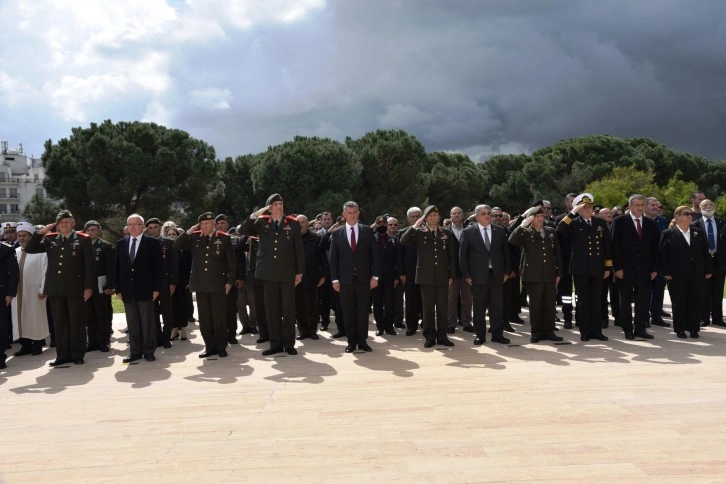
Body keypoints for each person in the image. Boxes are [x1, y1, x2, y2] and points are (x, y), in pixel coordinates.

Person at [26, 210, 94, 366]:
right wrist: (41, 232)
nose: (64, 225)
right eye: (61, 222)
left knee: (77, 322)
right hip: (56, 288)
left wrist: (88, 287)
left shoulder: (83, 239)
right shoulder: (50, 239)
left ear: (73, 223)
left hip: (76, 288)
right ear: (57, 225)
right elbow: (30, 248)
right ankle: (62, 355)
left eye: (67, 221)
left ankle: (77, 354)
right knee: (59, 323)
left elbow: (89, 266)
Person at [239, 194, 303, 356]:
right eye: (275, 204)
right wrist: (256, 214)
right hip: (268, 273)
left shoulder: (293, 223)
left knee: (288, 309)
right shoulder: (261, 222)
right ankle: (275, 343)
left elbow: (299, 249)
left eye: (281, 204)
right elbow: (243, 230)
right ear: (268, 207)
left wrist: (299, 272)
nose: (279, 207)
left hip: (287, 272)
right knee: (271, 309)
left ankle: (289, 343)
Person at [174, 212, 236, 358]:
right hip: (201, 284)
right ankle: (210, 346)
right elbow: (176, 245)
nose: (204, 226)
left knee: (219, 317)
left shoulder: (224, 238)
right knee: (205, 318)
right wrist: (188, 232)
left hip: (218, 283)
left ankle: (221, 346)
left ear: (214, 224)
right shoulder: (194, 238)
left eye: (207, 223)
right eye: (202, 224)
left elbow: (232, 263)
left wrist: (230, 281)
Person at [556, 193, 611, 342]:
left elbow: (607, 245)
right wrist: (573, 212)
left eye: (590, 207)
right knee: (583, 301)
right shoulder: (574, 223)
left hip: (598, 267)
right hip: (580, 268)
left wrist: (608, 267)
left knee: (597, 300)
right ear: (578, 209)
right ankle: (585, 331)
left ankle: (597, 331)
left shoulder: (600, 222)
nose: (587, 209)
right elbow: (560, 229)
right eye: (584, 207)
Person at [400, 205, 456, 348]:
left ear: (439, 217)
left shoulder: (446, 233)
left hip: (443, 276)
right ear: (425, 218)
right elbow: (403, 241)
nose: (432, 218)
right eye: (429, 216)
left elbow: (452, 256)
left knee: (443, 308)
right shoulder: (419, 232)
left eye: (435, 215)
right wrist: (415, 225)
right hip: (425, 276)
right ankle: (429, 336)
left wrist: (451, 275)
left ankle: (442, 336)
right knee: (428, 308)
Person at [327, 201, 380, 353]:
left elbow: (375, 256)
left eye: (355, 212)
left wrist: (375, 276)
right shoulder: (337, 233)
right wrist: (334, 279)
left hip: (364, 279)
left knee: (363, 311)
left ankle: (362, 341)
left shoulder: (368, 231)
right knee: (348, 311)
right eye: (349, 213)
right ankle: (351, 342)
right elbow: (333, 259)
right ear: (344, 215)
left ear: (358, 214)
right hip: (345, 280)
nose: (352, 215)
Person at [509, 206, 564, 343]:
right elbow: (512, 241)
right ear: (531, 219)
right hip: (533, 274)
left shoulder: (551, 231)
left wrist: (559, 272)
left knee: (549, 304)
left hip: (549, 273)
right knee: (536, 305)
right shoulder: (526, 232)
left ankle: (549, 331)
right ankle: (536, 332)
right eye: (537, 217)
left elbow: (558, 253)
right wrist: (522, 225)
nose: (540, 219)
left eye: (542, 216)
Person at [459, 204, 511, 345]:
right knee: (479, 306)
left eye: (489, 213)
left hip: (497, 274)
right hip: (477, 276)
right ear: (477, 216)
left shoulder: (500, 231)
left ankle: (497, 334)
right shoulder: (469, 232)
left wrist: (507, 271)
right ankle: (480, 335)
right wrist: (466, 275)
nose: (487, 216)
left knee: (497, 306)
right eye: (484, 213)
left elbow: (506, 253)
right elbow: (462, 256)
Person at [611, 194, 659, 340]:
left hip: (645, 270)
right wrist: (617, 267)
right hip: (625, 270)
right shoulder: (619, 222)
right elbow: (614, 246)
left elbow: (655, 249)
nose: (639, 208)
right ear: (630, 206)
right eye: (637, 205)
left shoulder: (650, 224)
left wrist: (654, 268)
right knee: (625, 301)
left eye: (642, 205)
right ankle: (627, 329)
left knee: (643, 301)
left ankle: (640, 329)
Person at [115, 214, 163, 363]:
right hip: (127, 291)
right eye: (130, 224)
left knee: (147, 322)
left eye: (136, 224)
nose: (132, 227)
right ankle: (135, 351)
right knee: (132, 322)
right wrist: (118, 289)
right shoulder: (121, 244)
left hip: (146, 289)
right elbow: (117, 268)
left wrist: (157, 288)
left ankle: (149, 351)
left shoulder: (152, 243)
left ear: (143, 227)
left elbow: (158, 268)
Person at [660, 206, 712, 338]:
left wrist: (707, 269)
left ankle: (694, 328)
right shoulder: (668, 233)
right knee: (679, 301)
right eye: (685, 214)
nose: (689, 216)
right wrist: (666, 271)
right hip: (676, 274)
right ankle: (680, 329)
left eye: (690, 214)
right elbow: (663, 255)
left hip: (697, 272)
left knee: (695, 300)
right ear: (677, 216)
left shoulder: (697, 232)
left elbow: (705, 252)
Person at [11, 222, 47, 358]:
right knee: (21, 318)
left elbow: (45, 271)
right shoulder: (15, 252)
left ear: (31, 236)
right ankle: (25, 345)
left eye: (24, 235)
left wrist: (44, 288)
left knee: (35, 317)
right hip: (18, 292)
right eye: (19, 236)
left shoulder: (40, 251)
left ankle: (37, 344)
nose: (21, 238)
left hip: (35, 292)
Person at [690, 199, 726, 327]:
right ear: (700, 208)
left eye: (711, 204)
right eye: (705, 205)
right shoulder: (694, 224)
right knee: (703, 291)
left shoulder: (723, 223)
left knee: (718, 291)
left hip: (719, 261)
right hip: (703, 262)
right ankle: (703, 318)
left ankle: (718, 318)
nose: (709, 206)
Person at [145, 217, 178, 349]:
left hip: (165, 282)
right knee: (152, 312)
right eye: (150, 228)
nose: (153, 230)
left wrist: (173, 282)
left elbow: (174, 264)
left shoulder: (169, 243)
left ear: (160, 228)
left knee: (167, 311)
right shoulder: (144, 243)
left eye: (156, 227)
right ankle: (157, 337)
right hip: (150, 283)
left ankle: (166, 338)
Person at [83, 220, 115, 352]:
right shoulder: (81, 245)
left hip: (100, 285)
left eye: (93, 230)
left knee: (102, 313)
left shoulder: (105, 247)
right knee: (89, 314)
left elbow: (110, 269)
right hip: (86, 285)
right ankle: (92, 341)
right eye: (88, 230)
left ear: (99, 231)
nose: (91, 232)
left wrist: (110, 286)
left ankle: (103, 341)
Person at [295, 214, 326, 340]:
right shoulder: (291, 238)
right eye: (298, 222)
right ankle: (302, 331)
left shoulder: (316, 238)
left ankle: (312, 330)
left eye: (303, 222)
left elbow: (323, 258)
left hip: (312, 277)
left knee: (312, 305)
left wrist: (324, 275)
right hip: (296, 279)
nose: (301, 225)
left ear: (308, 223)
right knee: (299, 305)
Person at [446, 206, 473, 334]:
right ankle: (451, 324)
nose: (456, 215)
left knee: (467, 298)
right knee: (451, 299)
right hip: (451, 272)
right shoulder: (445, 231)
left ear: (463, 215)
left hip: (466, 271)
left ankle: (466, 322)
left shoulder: (470, 230)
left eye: (458, 213)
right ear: (450, 216)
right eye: (454, 213)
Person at [645, 197, 670, 328]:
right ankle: (643, 317)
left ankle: (656, 316)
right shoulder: (639, 221)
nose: (655, 207)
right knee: (644, 291)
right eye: (652, 205)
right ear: (645, 206)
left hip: (660, 262)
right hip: (644, 262)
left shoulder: (664, 222)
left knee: (659, 290)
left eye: (657, 206)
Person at [397, 207, 423, 335]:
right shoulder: (402, 233)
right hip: (409, 273)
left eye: (418, 216)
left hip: (426, 273)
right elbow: (399, 255)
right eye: (412, 217)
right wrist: (401, 272)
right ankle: (411, 326)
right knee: (411, 300)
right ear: (408, 219)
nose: (415, 218)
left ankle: (425, 323)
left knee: (425, 299)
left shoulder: (427, 231)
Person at [372, 215, 398, 336]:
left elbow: (397, 259)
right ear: (376, 225)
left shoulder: (393, 239)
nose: (382, 225)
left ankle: (389, 327)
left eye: (384, 223)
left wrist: (396, 276)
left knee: (390, 303)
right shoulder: (371, 239)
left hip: (390, 277)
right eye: (379, 223)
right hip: (375, 277)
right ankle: (380, 327)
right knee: (377, 303)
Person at [215, 214, 240, 344]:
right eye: (218, 223)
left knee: (231, 309)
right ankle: (221, 333)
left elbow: (239, 260)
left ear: (227, 225)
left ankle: (232, 334)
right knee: (218, 309)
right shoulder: (211, 239)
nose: (220, 225)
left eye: (222, 223)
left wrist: (238, 277)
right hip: (216, 280)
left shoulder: (235, 240)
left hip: (231, 279)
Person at [166, 227, 192, 341]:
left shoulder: (185, 249)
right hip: (170, 283)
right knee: (171, 307)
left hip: (183, 283)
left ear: (178, 236)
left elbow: (191, 266)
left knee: (182, 306)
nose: (171, 236)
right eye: (169, 234)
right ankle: (174, 330)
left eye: (174, 234)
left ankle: (184, 330)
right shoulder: (165, 250)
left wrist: (190, 281)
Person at [0, 231, 18, 370]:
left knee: (2, 325)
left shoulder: (6, 250)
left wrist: (11, 293)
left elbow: (13, 273)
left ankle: (1, 356)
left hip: (2, 294)